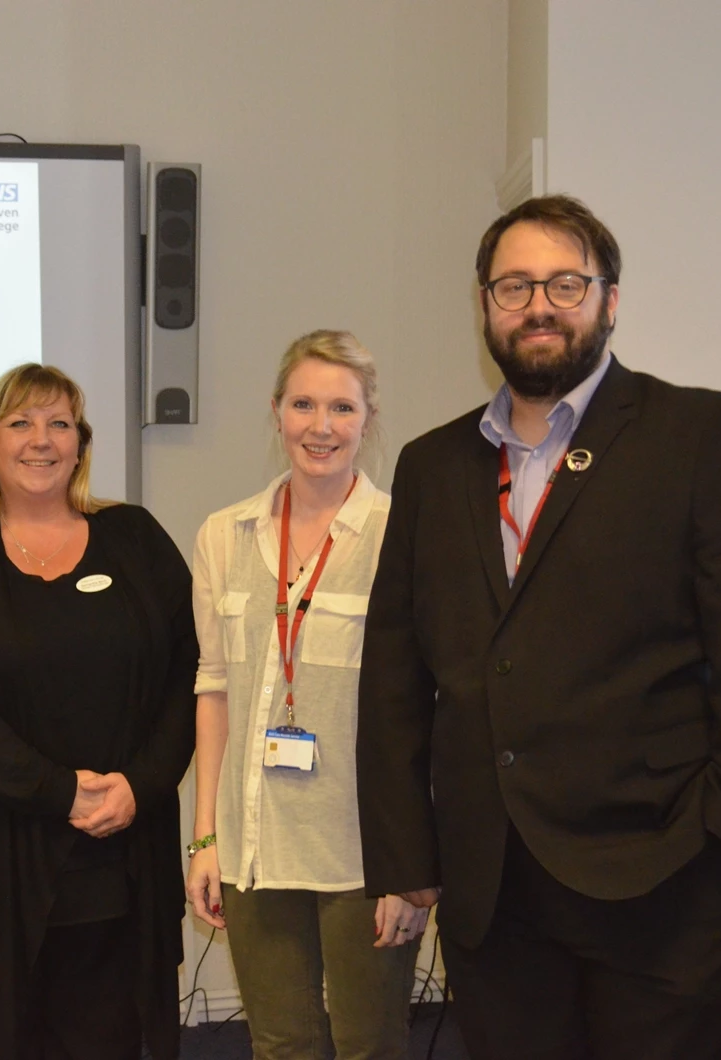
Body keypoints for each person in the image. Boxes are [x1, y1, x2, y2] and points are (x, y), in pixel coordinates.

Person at [355, 195, 721, 1060]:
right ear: (485, 308)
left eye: (565, 284)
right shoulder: (432, 466)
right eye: (513, 287)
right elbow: (393, 674)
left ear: (610, 300)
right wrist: (405, 856)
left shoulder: (703, 435)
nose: (538, 304)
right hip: (493, 889)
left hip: (669, 883)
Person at [0, 363, 197, 1060]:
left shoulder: (136, 539)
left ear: (81, 444)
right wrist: (58, 792)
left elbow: (192, 674)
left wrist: (139, 786)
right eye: (21, 422)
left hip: (120, 852)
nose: (42, 439)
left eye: (59, 423)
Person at [186, 330, 423, 1060]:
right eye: (303, 404)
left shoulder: (403, 535)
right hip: (254, 845)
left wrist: (411, 870)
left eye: (342, 408)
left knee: (369, 1046)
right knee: (281, 1045)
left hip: (362, 853)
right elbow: (214, 686)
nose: (320, 426)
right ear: (277, 411)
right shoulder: (226, 535)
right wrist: (206, 839)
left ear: (369, 418)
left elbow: (429, 706)